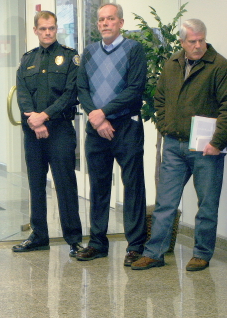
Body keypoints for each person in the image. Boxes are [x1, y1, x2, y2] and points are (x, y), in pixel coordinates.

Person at [132, 19, 227, 271]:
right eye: (192, 41)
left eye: (201, 39)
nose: (198, 45)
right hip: (174, 145)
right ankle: (155, 252)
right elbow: (159, 98)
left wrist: (218, 142)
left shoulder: (220, 67)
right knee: (165, 203)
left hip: (207, 150)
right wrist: (164, 124)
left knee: (207, 204)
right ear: (182, 42)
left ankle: (202, 254)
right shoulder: (172, 64)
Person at [76, 3, 147, 266]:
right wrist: (96, 117)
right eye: (101, 20)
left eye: (110, 19)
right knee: (98, 187)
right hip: (97, 131)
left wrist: (103, 112)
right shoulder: (90, 52)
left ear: (120, 22)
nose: (105, 23)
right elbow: (81, 88)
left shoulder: (134, 50)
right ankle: (97, 243)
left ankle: (135, 245)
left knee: (133, 186)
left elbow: (135, 88)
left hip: (126, 127)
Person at [12, 10, 83, 257]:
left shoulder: (70, 57)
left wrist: (45, 116)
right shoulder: (27, 59)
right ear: (35, 31)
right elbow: (21, 92)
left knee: (65, 184)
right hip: (33, 132)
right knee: (36, 184)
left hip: (60, 130)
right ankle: (39, 235)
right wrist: (34, 118)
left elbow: (70, 93)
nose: (47, 32)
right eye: (43, 29)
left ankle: (74, 239)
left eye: (51, 28)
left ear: (56, 29)